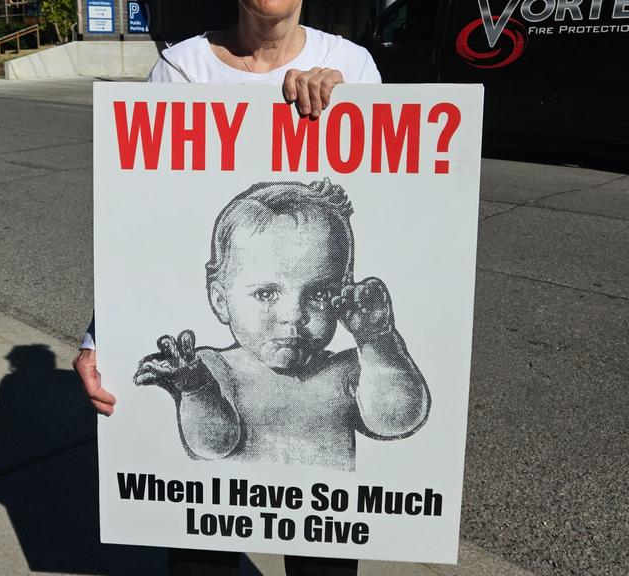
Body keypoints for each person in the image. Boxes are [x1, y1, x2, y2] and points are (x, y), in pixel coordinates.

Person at [75, 0, 381, 576]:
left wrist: (346, 117)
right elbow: (141, 218)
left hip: (331, 489)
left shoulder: (356, 69)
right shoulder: (182, 69)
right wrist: (99, 338)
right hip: (209, 476)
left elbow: (393, 210)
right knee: (204, 559)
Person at [134, 179, 430, 472]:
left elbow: (399, 418)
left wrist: (378, 341)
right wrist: (196, 388)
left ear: (345, 292)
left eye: (319, 293)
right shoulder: (215, 369)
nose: (294, 314)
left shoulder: (348, 371)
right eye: (265, 294)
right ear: (221, 300)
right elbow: (212, 444)